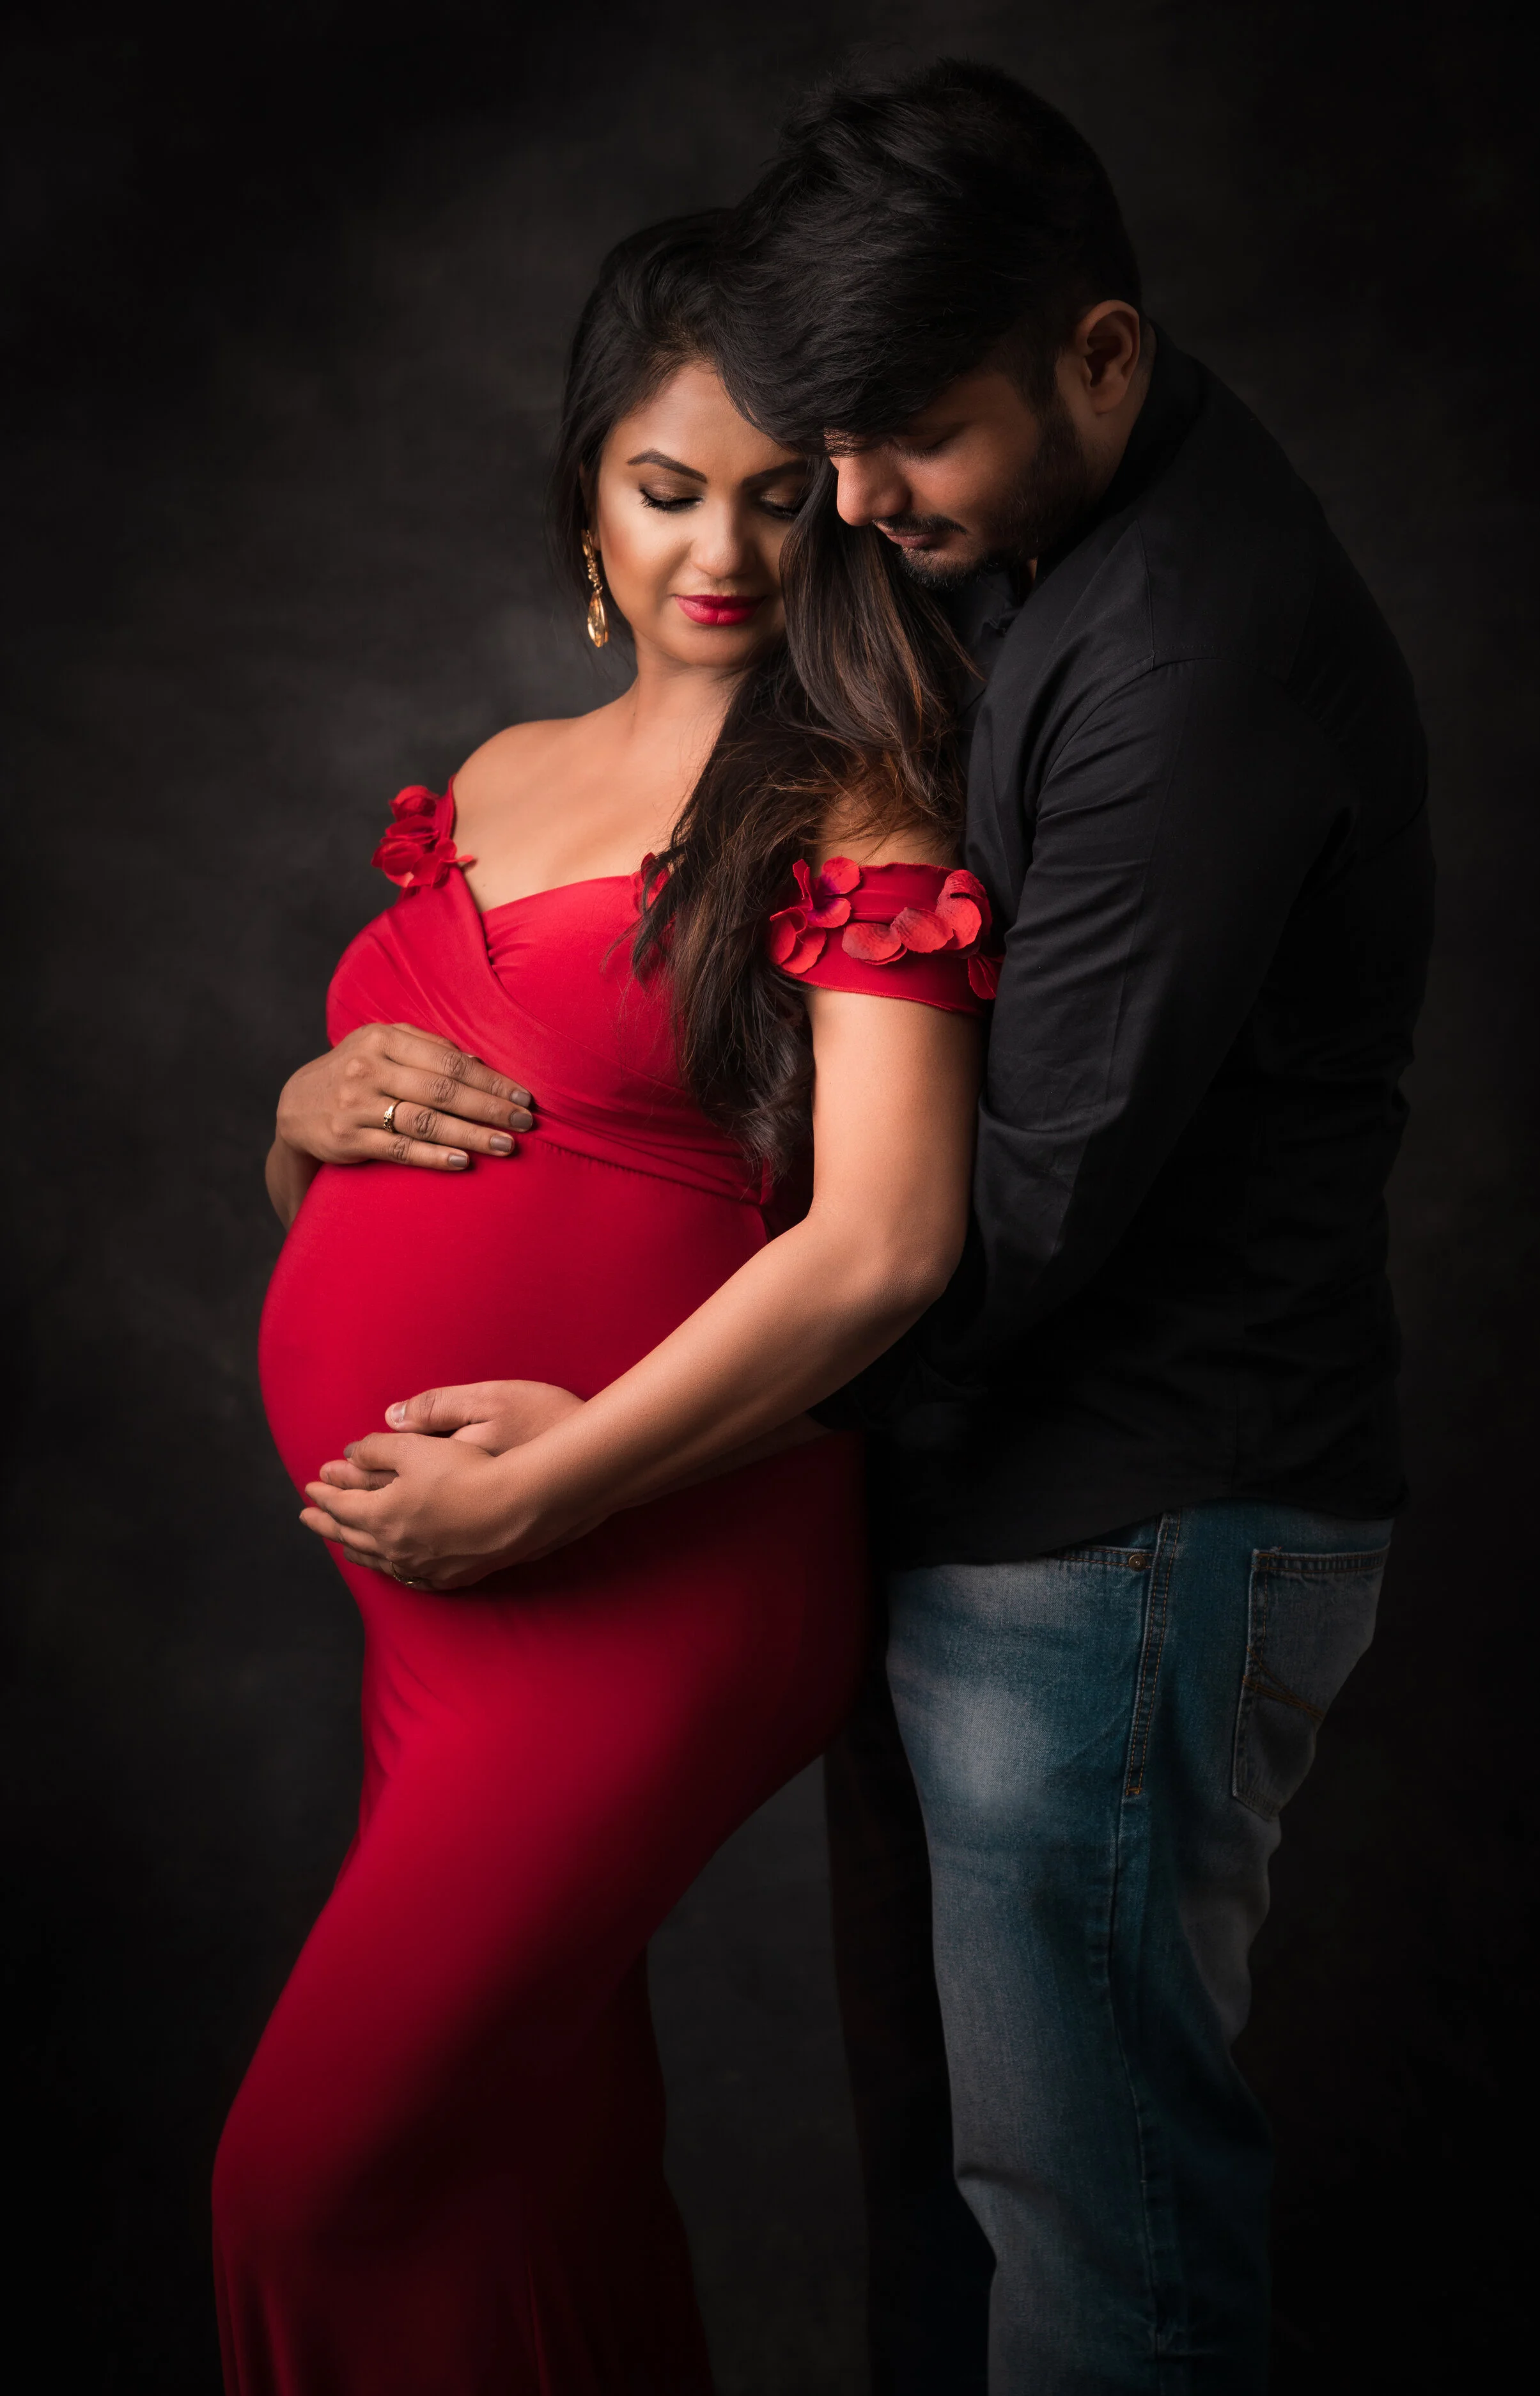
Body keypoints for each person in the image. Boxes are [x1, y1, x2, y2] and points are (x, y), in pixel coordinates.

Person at [698, 59, 1433, 2396]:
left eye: (908, 435)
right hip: (1011, 1507)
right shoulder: (1022, 541)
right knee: (969, 2216)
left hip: (1131, 1541)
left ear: (1099, 355)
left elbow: (1006, 1207)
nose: (849, 501)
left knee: (1094, 2248)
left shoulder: (1196, 661)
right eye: (833, 442)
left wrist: (648, 1417)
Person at [211, 212, 999, 2394]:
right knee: (525, 2165)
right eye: (667, 490)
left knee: (306, 2186)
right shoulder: (486, 773)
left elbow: (887, 1240)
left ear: (841, 508)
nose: (718, 551)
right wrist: (298, 1112)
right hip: (435, 1601)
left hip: (647, 1569)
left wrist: (550, 1489)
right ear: (588, 494)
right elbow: (380, 1172)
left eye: (776, 494)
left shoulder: (853, 803)